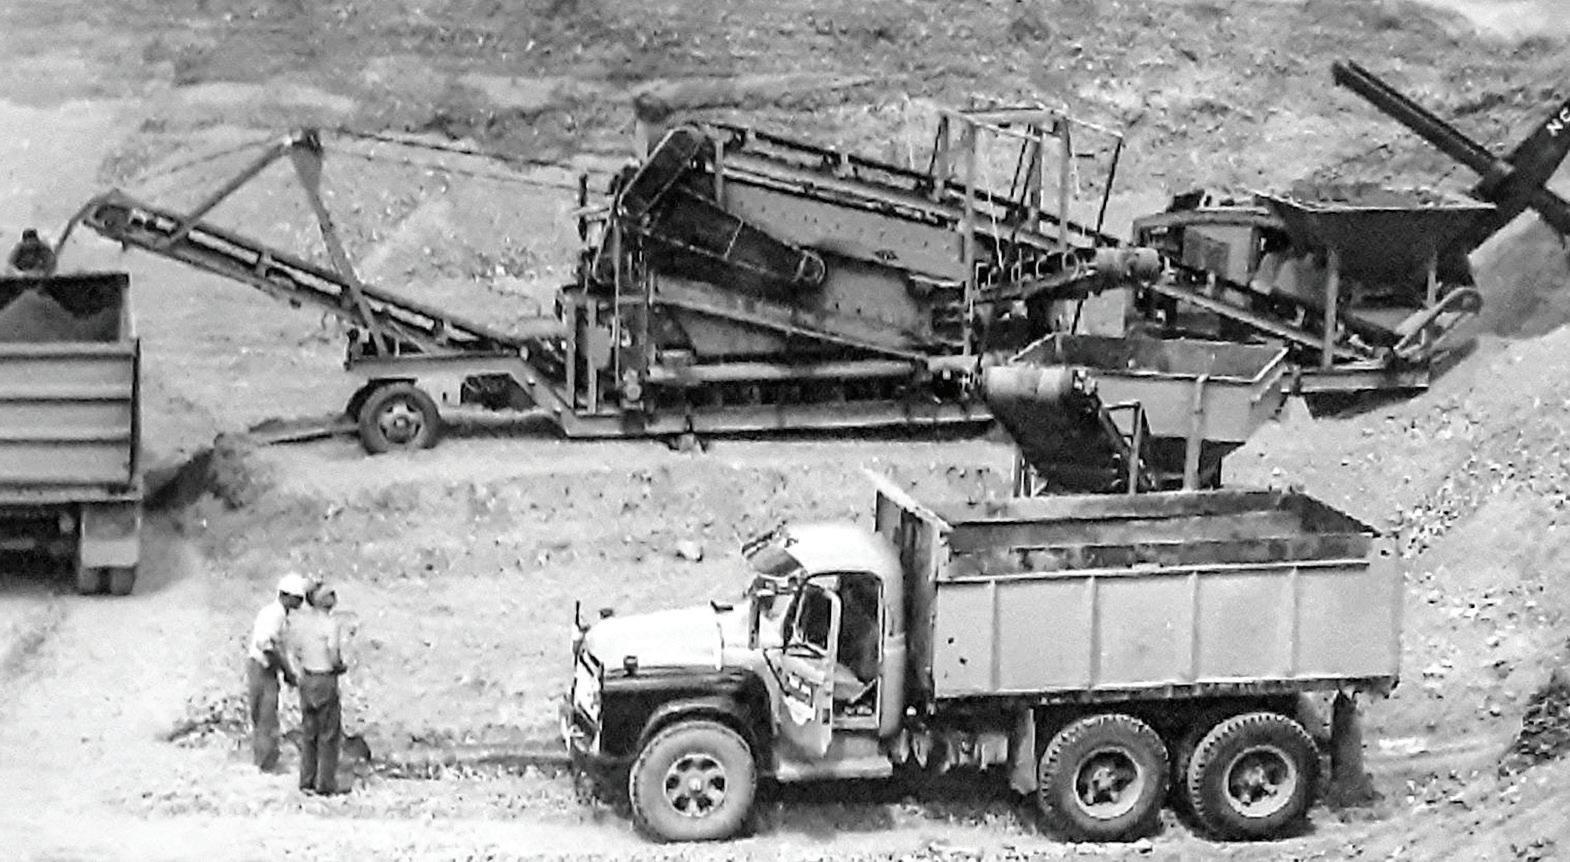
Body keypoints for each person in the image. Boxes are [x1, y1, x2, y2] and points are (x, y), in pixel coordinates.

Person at [289, 581, 348, 795]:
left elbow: (295, 650)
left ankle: (306, 780)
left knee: (309, 732)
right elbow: (333, 654)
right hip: (324, 678)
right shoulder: (331, 624)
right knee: (328, 734)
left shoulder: (303, 624)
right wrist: (340, 667)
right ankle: (325, 784)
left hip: (307, 677)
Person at [247, 573, 307, 771]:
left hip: (260, 666)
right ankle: (266, 763)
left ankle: (262, 758)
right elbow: (267, 646)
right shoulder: (276, 615)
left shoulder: (273, 613)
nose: (300, 603)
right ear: (287, 596)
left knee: (261, 713)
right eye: (298, 598)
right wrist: (287, 671)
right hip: (263, 667)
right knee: (266, 715)